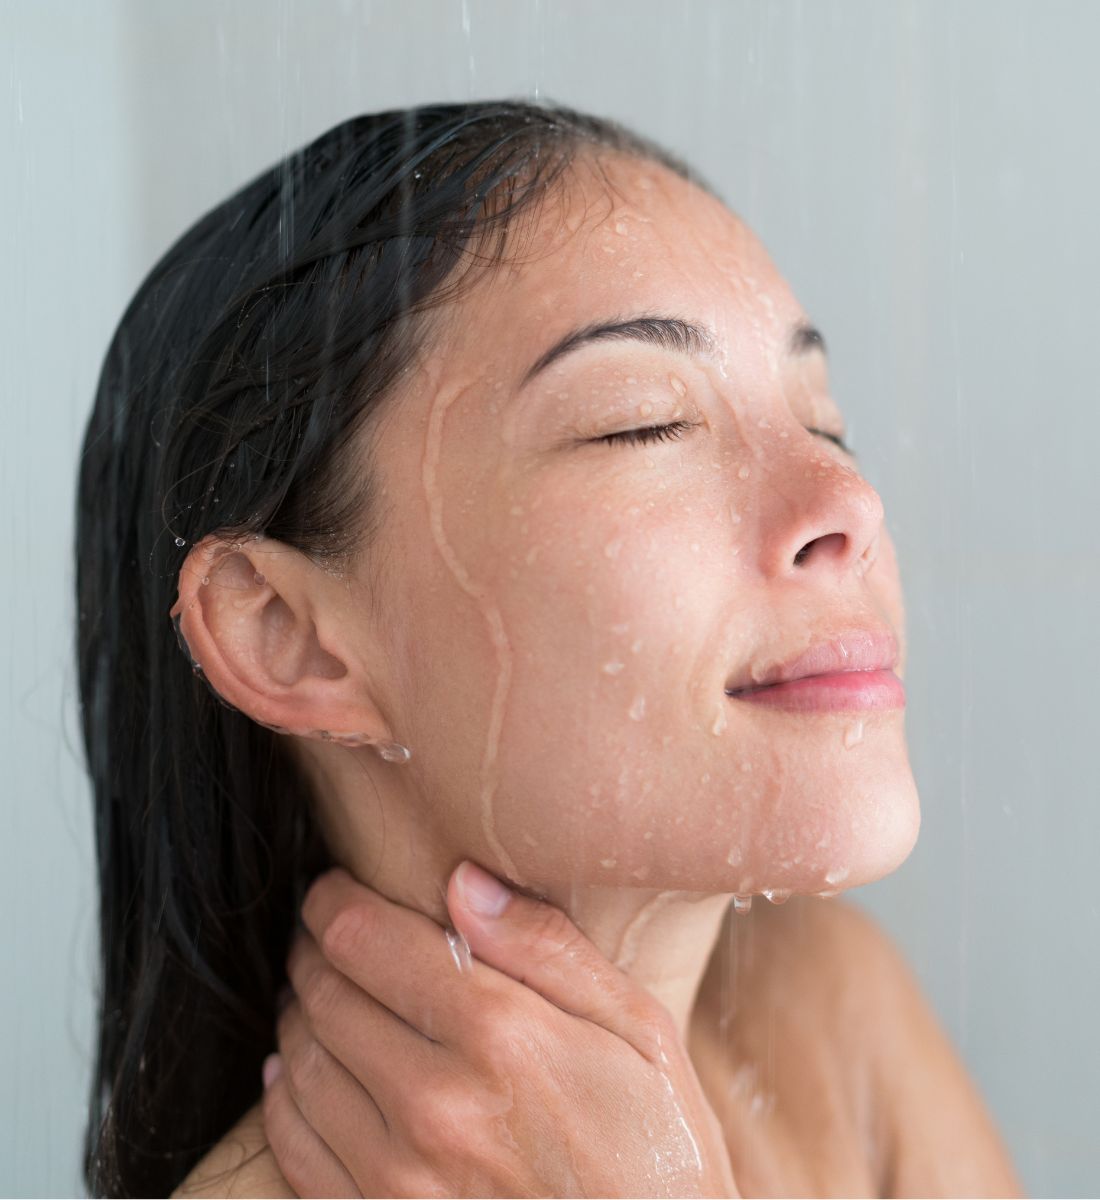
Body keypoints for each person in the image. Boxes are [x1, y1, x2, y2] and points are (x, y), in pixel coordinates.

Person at [77, 101, 1021, 1198]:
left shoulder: (825, 1018)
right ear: (286, 637)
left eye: (821, 422)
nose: (846, 499)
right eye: (639, 420)